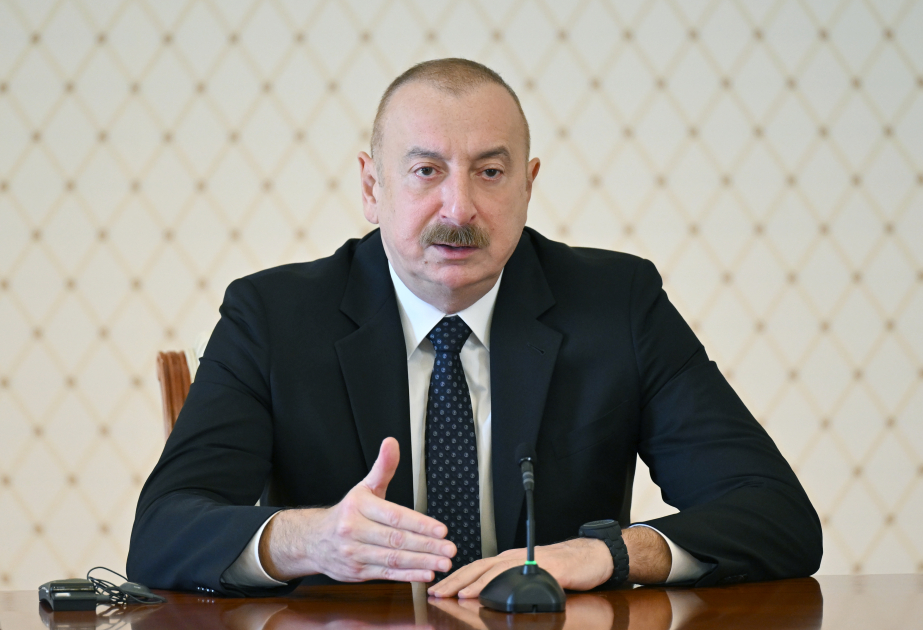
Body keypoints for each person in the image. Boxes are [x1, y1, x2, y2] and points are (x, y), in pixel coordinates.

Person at [127, 59, 822, 598]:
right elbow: (161, 533)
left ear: (528, 185)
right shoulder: (273, 316)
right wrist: (311, 540)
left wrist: (608, 552)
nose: (458, 208)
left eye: (489, 172)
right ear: (372, 187)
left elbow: (775, 515)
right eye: (425, 171)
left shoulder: (618, 306)